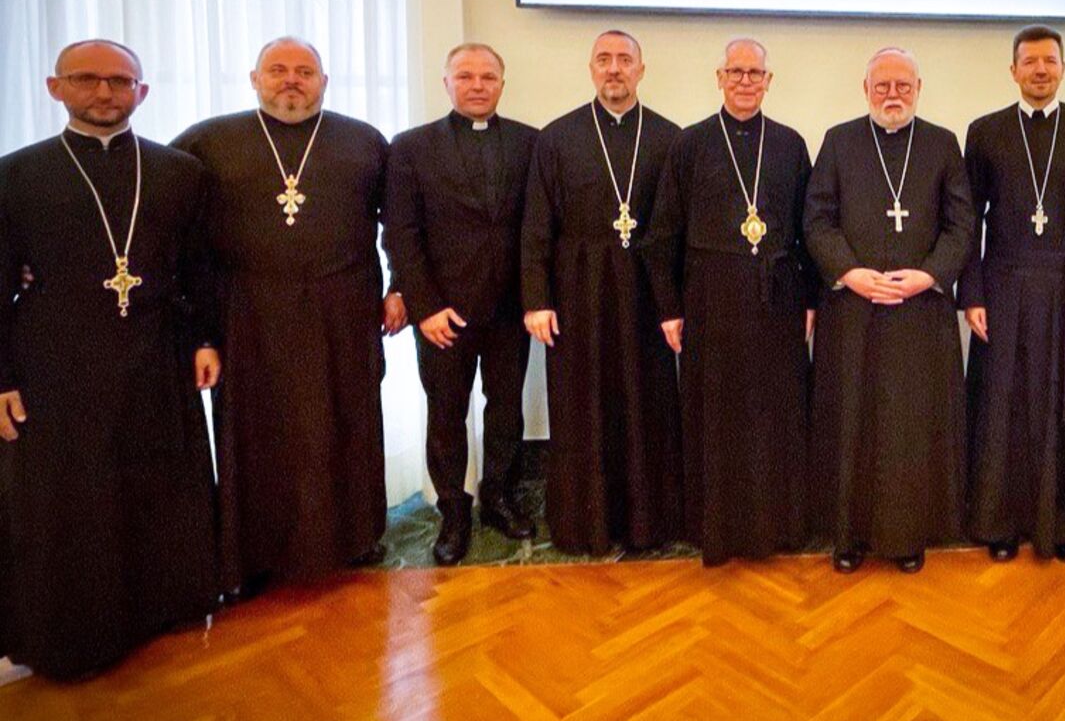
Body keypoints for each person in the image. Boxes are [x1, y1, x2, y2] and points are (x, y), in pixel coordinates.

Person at [0, 40, 217, 680]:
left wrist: (205, 339)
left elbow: (198, 267)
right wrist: (2, 375)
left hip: (157, 350)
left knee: (156, 481)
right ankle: (77, 636)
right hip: (56, 356)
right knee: (74, 498)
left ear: (141, 94)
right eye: (87, 79)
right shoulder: (15, 175)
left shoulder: (178, 172)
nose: (105, 93)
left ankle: (163, 610)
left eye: (120, 82)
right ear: (55, 87)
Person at [173, 37, 404, 594]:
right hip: (248, 312)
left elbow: (399, 222)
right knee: (257, 430)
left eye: (305, 71)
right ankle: (254, 552)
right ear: (254, 77)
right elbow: (161, 215)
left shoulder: (364, 141)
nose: (291, 80)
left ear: (324, 81)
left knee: (346, 418)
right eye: (278, 70)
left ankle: (353, 539)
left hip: (343, 306)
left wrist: (399, 287)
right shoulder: (208, 141)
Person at [647, 38, 817, 565]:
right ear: (719, 77)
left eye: (755, 73)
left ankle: (780, 526)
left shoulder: (789, 144)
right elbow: (663, 234)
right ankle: (715, 529)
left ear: (769, 81)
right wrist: (670, 307)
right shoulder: (690, 143)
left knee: (777, 410)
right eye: (736, 72)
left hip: (778, 295)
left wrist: (810, 299)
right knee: (715, 413)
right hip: (711, 295)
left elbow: (808, 231)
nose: (746, 81)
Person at [805, 47, 974, 574]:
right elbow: (817, 220)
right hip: (853, 311)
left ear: (919, 89)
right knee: (850, 420)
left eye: (902, 86)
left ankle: (908, 537)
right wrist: (850, 273)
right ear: (865, 90)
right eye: (882, 86)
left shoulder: (943, 145)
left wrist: (928, 276)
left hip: (919, 312)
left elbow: (962, 225)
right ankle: (848, 536)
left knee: (910, 426)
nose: (892, 95)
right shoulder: (839, 141)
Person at [961, 25, 1065, 563]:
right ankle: (1001, 523)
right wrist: (973, 294)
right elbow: (968, 223)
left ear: (1063, 68)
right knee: (1004, 405)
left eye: (1049, 61)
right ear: (1012, 71)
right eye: (1028, 61)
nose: (1039, 70)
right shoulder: (985, 132)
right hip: (1006, 281)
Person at [520, 30, 683, 553]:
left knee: (647, 402)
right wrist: (536, 299)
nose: (614, 69)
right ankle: (584, 523)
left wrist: (677, 304)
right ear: (591, 69)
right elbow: (536, 226)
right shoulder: (557, 137)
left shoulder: (670, 138)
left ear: (641, 69)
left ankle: (648, 524)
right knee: (582, 406)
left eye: (624, 60)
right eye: (604, 60)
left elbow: (678, 230)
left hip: (646, 289)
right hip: (577, 290)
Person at [385, 43, 539, 565]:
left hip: (509, 310)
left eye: (488, 76)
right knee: (446, 413)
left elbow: (538, 228)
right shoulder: (411, 147)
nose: (478, 85)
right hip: (442, 313)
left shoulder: (530, 143)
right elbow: (401, 232)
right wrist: (423, 305)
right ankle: (453, 509)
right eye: (466, 76)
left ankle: (499, 496)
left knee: (506, 410)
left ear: (502, 82)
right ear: (446, 83)